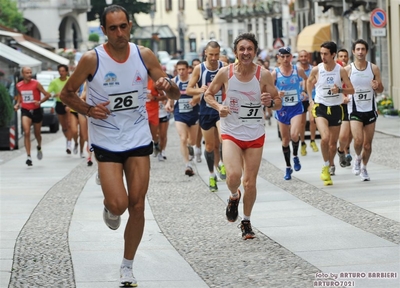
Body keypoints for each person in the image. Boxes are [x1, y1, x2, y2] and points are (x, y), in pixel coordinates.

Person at [59, 5, 180, 287]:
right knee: (119, 204)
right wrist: (88, 110)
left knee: (137, 206)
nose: (119, 33)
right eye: (112, 28)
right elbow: (67, 93)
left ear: (129, 26)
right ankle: (110, 204)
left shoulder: (144, 54)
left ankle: (127, 266)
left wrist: (167, 84)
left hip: (137, 136)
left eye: (123, 26)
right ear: (103, 30)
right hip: (107, 139)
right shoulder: (92, 59)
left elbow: (173, 91)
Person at [205, 33, 280, 239]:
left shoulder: (263, 75)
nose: (246, 53)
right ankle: (233, 195)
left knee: (250, 182)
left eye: (249, 49)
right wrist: (219, 106)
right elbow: (208, 94)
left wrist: (270, 102)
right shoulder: (225, 73)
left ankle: (246, 221)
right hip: (231, 132)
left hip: (255, 133)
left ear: (255, 51)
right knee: (233, 176)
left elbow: (277, 100)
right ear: (236, 52)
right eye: (242, 49)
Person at [307, 41, 354, 186]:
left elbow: (351, 90)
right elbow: (309, 82)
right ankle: (325, 165)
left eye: (325, 54)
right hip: (321, 106)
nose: (323, 56)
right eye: (321, 53)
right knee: (325, 137)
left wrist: (339, 91)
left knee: (333, 144)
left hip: (336, 108)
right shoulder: (317, 69)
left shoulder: (340, 70)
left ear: (333, 54)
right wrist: (311, 99)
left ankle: (330, 165)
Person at [187, 40, 226, 192]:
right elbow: (189, 90)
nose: (214, 58)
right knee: (210, 146)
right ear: (205, 54)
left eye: (217, 54)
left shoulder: (223, 67)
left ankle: (222, 164)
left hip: (221, 110)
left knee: (224, 139)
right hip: (205, 111)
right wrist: (200, 90)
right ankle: (211, 175)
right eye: (211, 55)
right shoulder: (199, 68)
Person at [346, 39, 383, 181]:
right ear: (354, 52)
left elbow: (380, 89)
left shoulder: (373, 68)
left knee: (367, 144)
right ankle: (357, 157)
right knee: (358, 141)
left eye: (363, 49)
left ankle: (364, 167)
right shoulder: (348, 69)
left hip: (370, 109)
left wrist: (376, 86)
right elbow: (341, 87)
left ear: (366, 51)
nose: (360, 52)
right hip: (354, 110)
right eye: (358, 49)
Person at [272, 47, 308, 180]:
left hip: (296, 107)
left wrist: (304, 91)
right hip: (282, 108)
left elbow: (306, 79)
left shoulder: (297, 70)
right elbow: (268, 88)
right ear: (278, 58)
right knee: (285, 139)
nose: (285, 59)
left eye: (288, 57)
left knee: (294, 134)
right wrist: (276, 93)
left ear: (291, 57)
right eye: (283, 57)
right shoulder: (275, 73)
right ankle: (288, 167)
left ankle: (295, 156)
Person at [165, 60, 200, 175]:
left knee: (192, 140)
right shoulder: (174, 81)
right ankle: (187, 165)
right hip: (180, 114)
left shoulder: (193, 80)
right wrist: (169, 103)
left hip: (193, 113)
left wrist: (195, 100)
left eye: (183, 69)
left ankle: (190, 147)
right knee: (183, 138)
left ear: (187, 69)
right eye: (179, 70)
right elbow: (171, 95)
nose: (181, 72)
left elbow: (199, 94)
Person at [14, 67, 51, 166]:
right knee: (26, 132)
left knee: (37, 133)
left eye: (30, 72)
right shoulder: (19, 85)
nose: (29, 74)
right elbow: (20, 96)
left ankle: (39, 146)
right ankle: (28, 156)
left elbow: (48, 95)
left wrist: (39, 102)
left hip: (36, 110)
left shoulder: (36, 84)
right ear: (23, 74)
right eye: (27, 73)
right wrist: (18, 104)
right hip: (26, 110)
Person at [47, 64, 74, 154]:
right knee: (64, 126)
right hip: (59, 104)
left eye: (63, 71)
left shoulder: (70, 80)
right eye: (60, 71)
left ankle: (69, 144)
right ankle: (68, 139)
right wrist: (56, 94)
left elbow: (75, 90)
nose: (61, 73)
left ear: (66, 72)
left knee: (69, 124)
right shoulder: (54, 82)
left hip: (68, 103)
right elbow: (48, 93)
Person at [297, 50, 319, 155]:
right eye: (301, 56)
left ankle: (312, 140)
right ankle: (302, 143)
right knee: (301, 123)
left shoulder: (313, 69)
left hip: (312, 97)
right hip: (300, 99)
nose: (303, 58)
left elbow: (317, 80)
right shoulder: (296, 70)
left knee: (312, 119)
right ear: (299, 58)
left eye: (305, 56)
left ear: (308, 57)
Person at [336, 49, 353, 169]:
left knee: (352, 133)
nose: (343, 58)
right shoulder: (338, 70)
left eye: (345, 56)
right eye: (341, 56)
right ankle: (342, 150)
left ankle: (347, 150)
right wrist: (342, 97)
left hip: (353, 103)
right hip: (341, 104)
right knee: (343, 134)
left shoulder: (352, 69)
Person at [191, 58, 203, 162]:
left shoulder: (202, 76)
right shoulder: (191, 78)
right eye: (194, 65)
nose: (196, 66)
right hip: (190, 108)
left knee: (199, 130)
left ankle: (198, 148)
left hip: (201, 106)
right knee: (192, 134)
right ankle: (194, 147)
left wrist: (197, 97)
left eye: (197, 65)